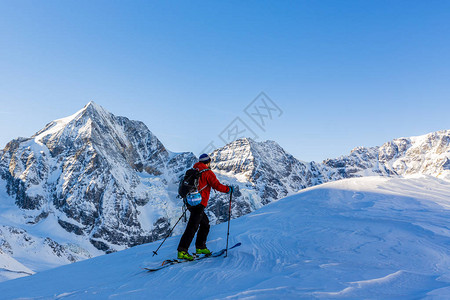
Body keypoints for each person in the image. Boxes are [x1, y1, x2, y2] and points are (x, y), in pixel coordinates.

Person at [177, 153, 233, 260]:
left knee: (205, 224)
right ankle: (182, 251)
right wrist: (228, 189)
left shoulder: (193, 171)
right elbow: (217, 186)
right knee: (192, 227)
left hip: (190, 202)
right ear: (208, 162)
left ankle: (200, 247)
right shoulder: (207, 173)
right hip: (199, 203)